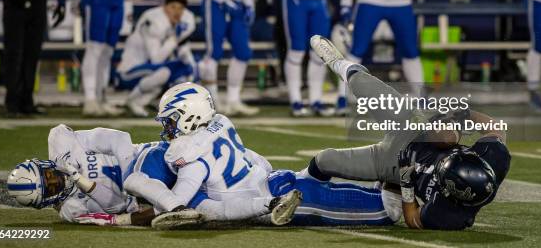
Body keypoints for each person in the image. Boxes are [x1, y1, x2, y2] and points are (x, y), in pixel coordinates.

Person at [304, 35, 511, 230]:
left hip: (395, 164)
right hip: (416, 128)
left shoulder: (451, 215)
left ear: (450, 193)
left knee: (324, 160)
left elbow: (413, 219)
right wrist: (464, 115)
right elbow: (496, 128)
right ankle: (338, 63)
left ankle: (302, 182)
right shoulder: (495, 160)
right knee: (445, 136)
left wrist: (405, 183)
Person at [123, 82, 396, 228]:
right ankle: (397, 184)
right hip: (277, 178)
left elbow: (191, 206)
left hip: (274, 193)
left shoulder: (191, 158)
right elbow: (256, 159)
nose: (168, 128)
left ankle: (416, 192)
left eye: (171, 120)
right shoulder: (221, 122)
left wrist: (159, 205)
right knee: (353, 190)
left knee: (388, 210)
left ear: (190, 115)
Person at [7, 125, 159, 226]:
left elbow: (119, 138)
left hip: (146, 156)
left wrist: (130, 178)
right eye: (51, 188)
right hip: (147, 198)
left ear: (42, 165)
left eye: (48, 175)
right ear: (45, 201)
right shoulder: (71, 209)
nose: (57, 180)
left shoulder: (60, 141)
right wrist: (84, 183)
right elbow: (118, 206)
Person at [115, 0, 197, 117]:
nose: (177, 12)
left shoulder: (180, 22)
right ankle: (132, 100)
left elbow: (185, 56)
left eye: (180, 8)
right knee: (164, 72)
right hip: (128, 72)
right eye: (173, 7)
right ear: (165, 7)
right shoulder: (154, 20)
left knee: (184, 68)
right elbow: (156, 59)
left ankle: (155, 101)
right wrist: (174, 39)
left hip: (150, 72)